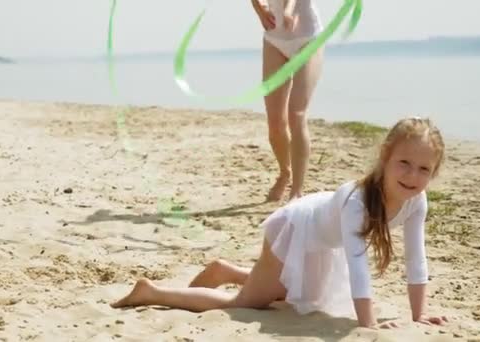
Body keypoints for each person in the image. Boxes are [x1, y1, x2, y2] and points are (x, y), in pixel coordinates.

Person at [110, 117, 449, 329]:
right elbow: (357, 265)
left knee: (294, 298)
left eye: (424, 169)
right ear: (386, 156)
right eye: (404, 163)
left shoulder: (416, 201)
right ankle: (151, 291)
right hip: (295, 229)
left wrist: (419, 315)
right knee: (243, 304)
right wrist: (369, 325)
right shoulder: (357, 202)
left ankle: (225, 271)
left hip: (319, 241)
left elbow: (416, 261)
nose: (412, 176)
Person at [251, 0, 325, 201]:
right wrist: (260, 9)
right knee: (275, 122)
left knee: (296, 113)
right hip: (275, 38)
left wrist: (288, 10)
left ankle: (297, 191)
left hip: (307, 36)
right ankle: (285, 173)